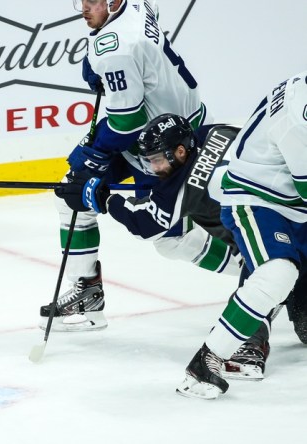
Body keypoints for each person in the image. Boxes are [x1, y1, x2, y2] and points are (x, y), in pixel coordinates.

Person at [60, 113, 284, 380]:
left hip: (274, 224)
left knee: (264, 274)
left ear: (179, 151)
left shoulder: (183, 185)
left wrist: (104, 200)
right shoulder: (217, 130)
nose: (154, 169)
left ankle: (251, 343)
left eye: (157, 160)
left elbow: (145, 224)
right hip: (287, 197)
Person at [43, 0, 212, 331]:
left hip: (169, 147)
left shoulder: (116, 47)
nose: (83, 8)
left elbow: (127, 120)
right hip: (161, 131)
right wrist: (106, 68)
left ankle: (264, 274)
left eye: (92, 1)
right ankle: (87, 291)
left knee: (171, 238)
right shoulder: (135, 6)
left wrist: (95, 152)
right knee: (69, 191)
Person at [175, 71, 307, 399]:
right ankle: (208, 359)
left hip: (292, 199)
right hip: (259, 199)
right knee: (277, 273)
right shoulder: (299, 118)